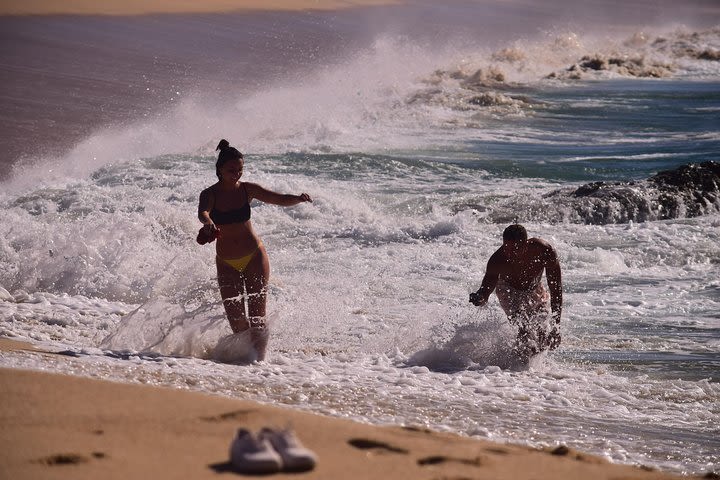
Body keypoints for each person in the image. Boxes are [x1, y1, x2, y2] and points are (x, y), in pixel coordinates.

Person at [198, 139, 312, 361]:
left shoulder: (247, 190)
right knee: (238, 321)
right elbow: (203, 212)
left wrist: (297, 199)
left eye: (240, 169)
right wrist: (208, 223)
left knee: (258, 317)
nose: (237, 174)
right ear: (219, 169)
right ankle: (245, 356)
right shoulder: (209, 194)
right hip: (226, 261)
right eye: (231, 170)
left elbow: (277, 198)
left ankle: (258, 362)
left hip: (254, 256)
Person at [469, 224, 562, 359]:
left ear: (526, 243)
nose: (510, 253)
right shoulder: (497, 260)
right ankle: (514, 368)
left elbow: (556, 290)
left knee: (543, 334)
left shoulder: (544, 251)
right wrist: (479, 297)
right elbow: (485, 291)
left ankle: (532, 373)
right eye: (507, 248)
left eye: (515, 248)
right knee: (524, 330)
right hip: (507, 290)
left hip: (534, 289)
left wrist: (556, 326)